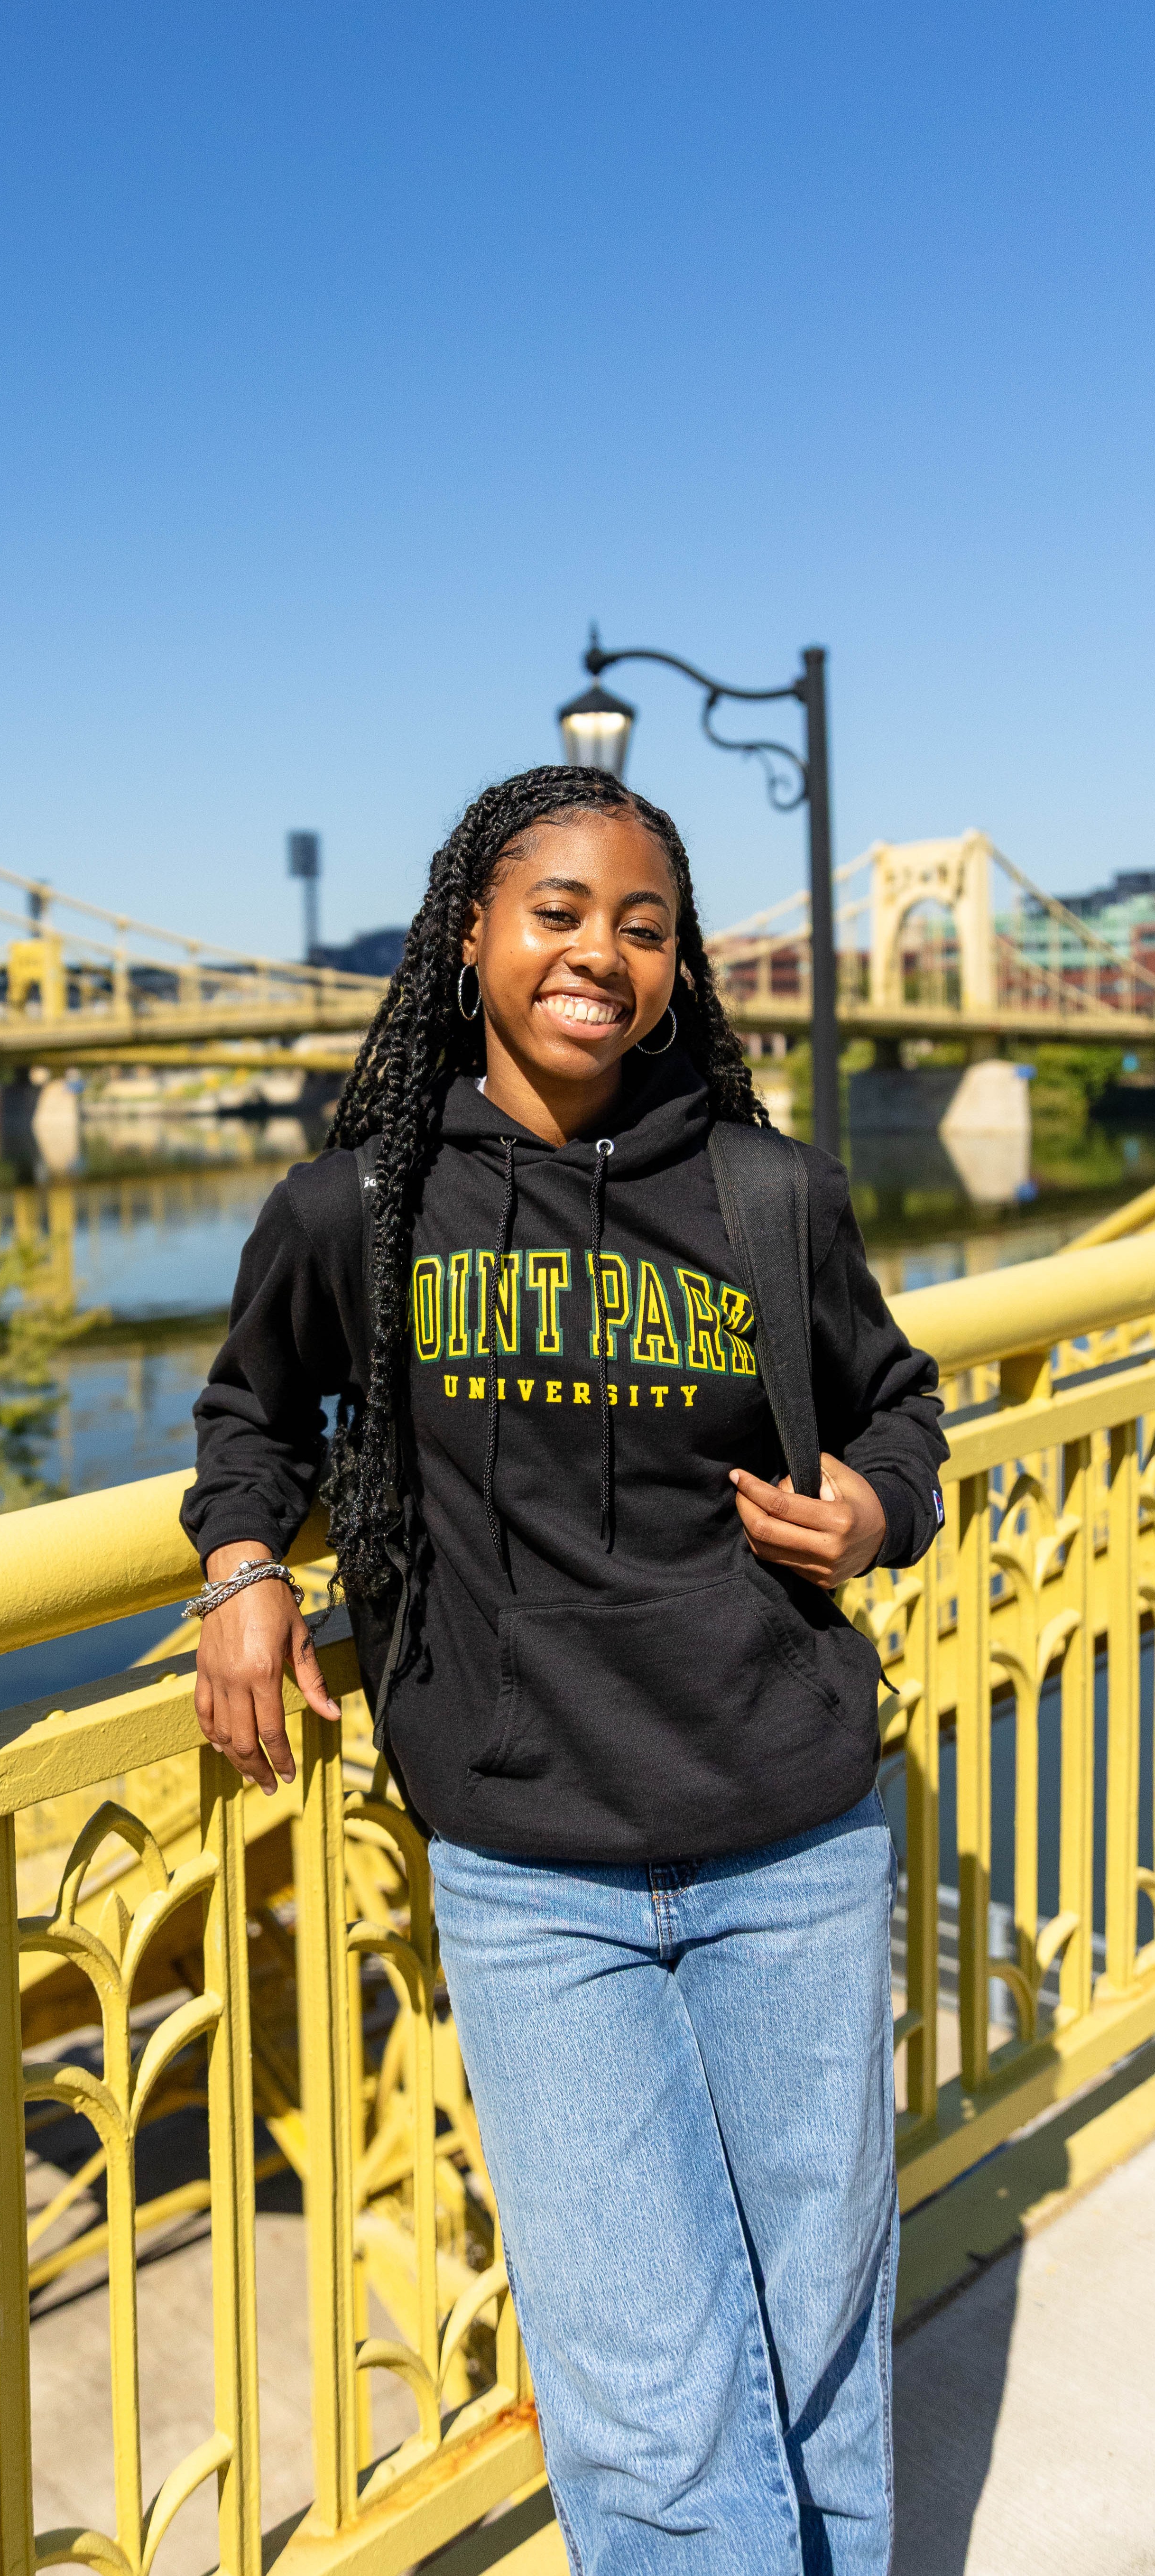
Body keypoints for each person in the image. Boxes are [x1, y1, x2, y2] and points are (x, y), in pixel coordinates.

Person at [182, 766, 947, 2575]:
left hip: (792, 1838)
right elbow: (250, 1412)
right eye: (557, 911)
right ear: (474, 936)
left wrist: (873, 1516)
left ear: (680, 967)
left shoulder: (772, 1196)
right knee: (651, 2399)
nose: (599, 951)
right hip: (533, 1871)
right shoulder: (359, 1205)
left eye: (644, 923)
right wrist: (240, 1569)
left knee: (822, 2348)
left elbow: (900, 1404)